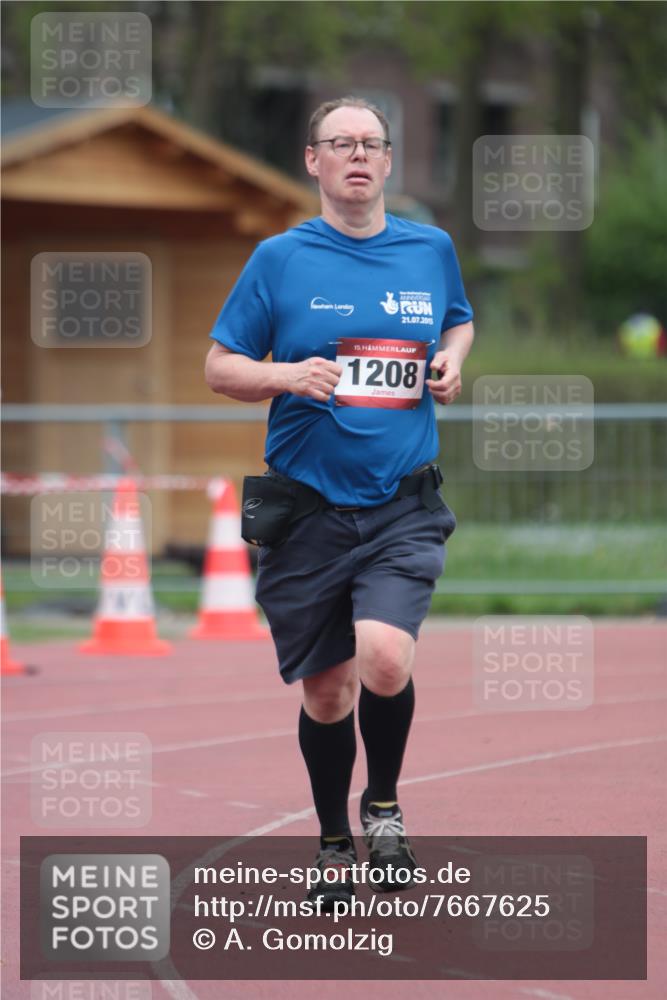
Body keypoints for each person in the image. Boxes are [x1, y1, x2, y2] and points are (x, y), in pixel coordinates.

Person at [205, 96, 474, 910]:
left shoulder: (430, 249)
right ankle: (331, 840)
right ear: (313, 161)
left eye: (370, 143)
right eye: (339, 143)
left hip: (400, 503)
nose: (356, 155)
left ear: (388, 162)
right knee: (327, 693)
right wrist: (286, 375)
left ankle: (383, 806)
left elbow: (457, 323)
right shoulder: (279, 259)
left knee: (385, 657)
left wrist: (452, 362)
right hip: (307, 510)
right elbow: (220, 367)